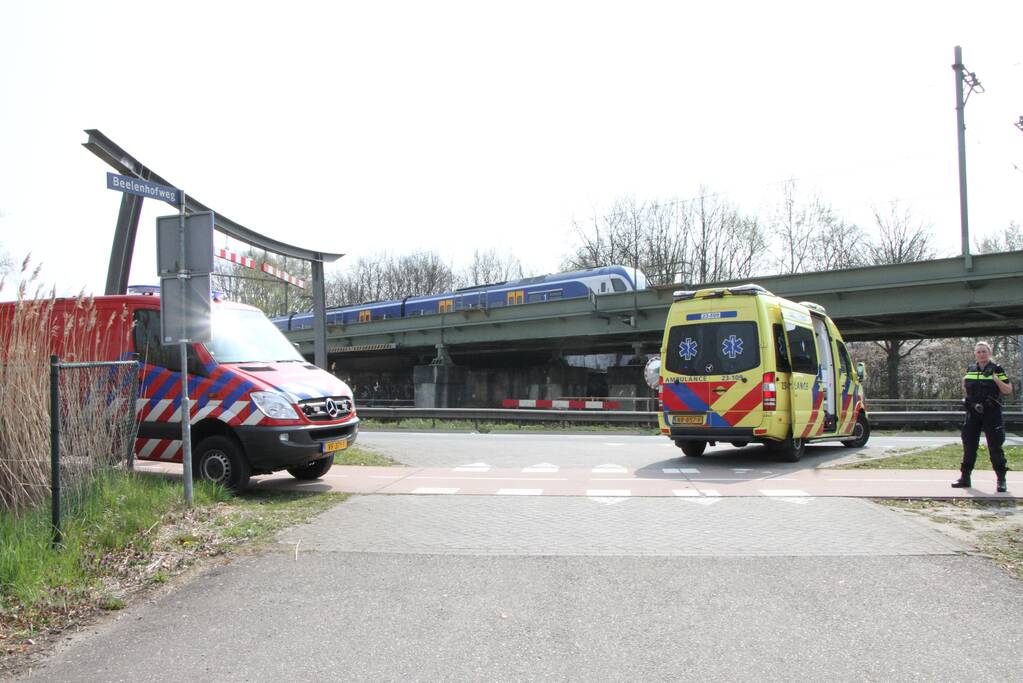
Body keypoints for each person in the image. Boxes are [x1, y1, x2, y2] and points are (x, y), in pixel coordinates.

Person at [952, 341, 1013, 492]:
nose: (981, 354)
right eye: (978, 352)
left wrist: (996, 379)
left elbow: (1007, 390)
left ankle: (1001, 480)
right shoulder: (971, 369)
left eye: (984, 351)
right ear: (975, 354)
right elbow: (965, 386)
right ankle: (965, 478)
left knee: (995, 446)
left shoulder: (997, 369)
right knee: (969, 445)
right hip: (973, 412)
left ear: (989, 353)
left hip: (991, 413)